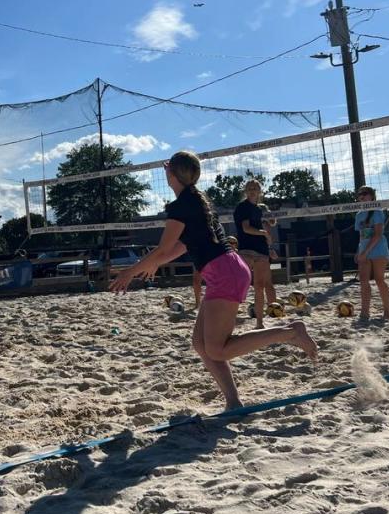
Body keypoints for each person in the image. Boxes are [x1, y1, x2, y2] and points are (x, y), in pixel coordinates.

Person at [110, 151, 318, 412]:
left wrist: (130, 272)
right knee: (202, 345)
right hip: (226, 271)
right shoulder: (195, 200)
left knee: (218, 349)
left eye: (168, 170)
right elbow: (181, 247)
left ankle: (291, 332)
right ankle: (233, 401)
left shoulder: (184, 205)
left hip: (226, 273)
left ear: (171, 174)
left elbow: (164, 249)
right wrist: (153, 263)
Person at [234, 180, 275, 328]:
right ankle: (229, 317)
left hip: (261, 250)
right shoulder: (242, 207)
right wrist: (263, 232)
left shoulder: (259, 209)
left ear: (259, 191)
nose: (252, 190)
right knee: (239, 284)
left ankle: (259, 323)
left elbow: (264, 227)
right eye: (249, 188)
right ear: (245, 191)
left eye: (255, 188)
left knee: (260, 286)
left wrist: (269, 245)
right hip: (246, 249)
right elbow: (246, 228)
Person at [354, 186, 389, 320]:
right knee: (363, 281)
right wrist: (358, 251)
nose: (361, 196)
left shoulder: (377, 212)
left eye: (365, 193)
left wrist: (365, 252)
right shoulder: (359, 214)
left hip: (378, 250)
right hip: (364, 250)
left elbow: (377, 235)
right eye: (359, 194)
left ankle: (387, 310)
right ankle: (364, 312)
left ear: (372, 196)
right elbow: (361, 236)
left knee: (379, 280)